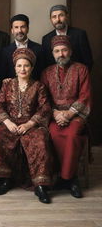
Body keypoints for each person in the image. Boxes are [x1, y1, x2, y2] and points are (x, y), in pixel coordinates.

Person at [0, 48, 52, 204]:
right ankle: (6, 180)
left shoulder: (39, 86)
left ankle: (40, 185)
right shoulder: (7, 84)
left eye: (26, 66)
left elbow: (44, 108)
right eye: (19, 66)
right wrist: (8, 122)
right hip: (9, 123)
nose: (22, 69)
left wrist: (30, 124)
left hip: (31, 123)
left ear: (31, 68)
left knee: (40, 140)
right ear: (14, 68)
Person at [41, 35, 92, 198]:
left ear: (70, 51)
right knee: (53, 134)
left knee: (72, 134)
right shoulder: (46, 72)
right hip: (55, 116)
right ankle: (67, 177)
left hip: (75, 115)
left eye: (64, 50)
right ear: (52, 53)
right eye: (57, 51)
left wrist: (69, 114)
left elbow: (85, 96)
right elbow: (44, 99)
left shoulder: (81, 69)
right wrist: (55, 113)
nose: (60, 54)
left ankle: (69, 178)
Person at [42, 4, 93, 70]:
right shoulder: (46, 39)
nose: (58, 19)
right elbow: (46, 64)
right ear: (51, 19)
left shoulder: (79, 34)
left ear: (67, 16)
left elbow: (88, 61)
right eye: (54, 17)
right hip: (55, 78)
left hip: (78, 76)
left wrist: (82, 76)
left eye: (61, 15)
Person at [0, 14, 45, 81]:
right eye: (16, 27)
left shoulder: (39, 49)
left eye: (23, 27)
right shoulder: (5, 51)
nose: (19, 30)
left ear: (28, 29)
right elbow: (3, 76)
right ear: (12, 30)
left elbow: (42, 74)